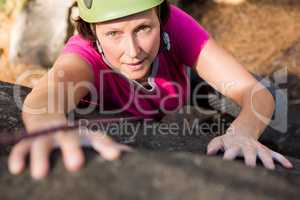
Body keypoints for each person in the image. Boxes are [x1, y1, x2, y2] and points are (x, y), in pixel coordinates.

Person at [8, 0, 293, 180]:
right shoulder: (82, 56)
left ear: (160, 16)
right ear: (91, 31)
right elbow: (45, 96)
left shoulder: (175, 25)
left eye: (143, 28)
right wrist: (51, 126)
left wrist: (242, 132)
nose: (133, 52)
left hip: (184, 92)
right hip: (144, 115)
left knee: (273, 98)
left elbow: (252, 91)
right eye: (113, 34)